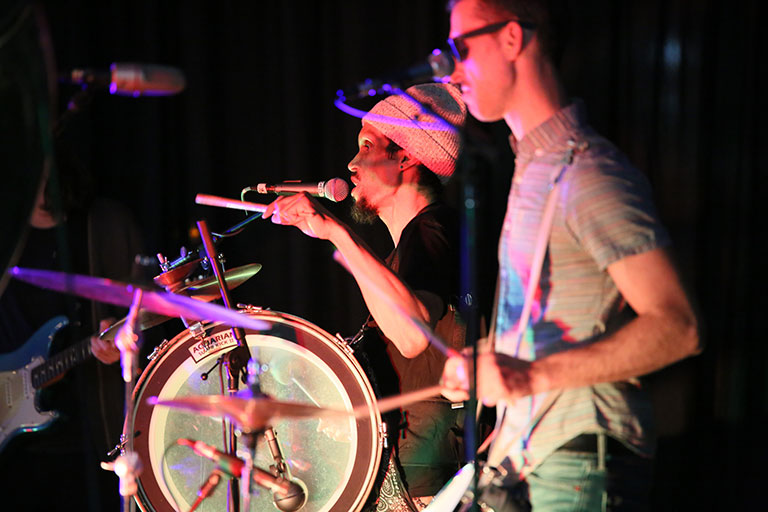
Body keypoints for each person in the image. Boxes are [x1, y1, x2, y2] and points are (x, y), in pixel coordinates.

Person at [439, 1, 701, 511]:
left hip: (577, 461)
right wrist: (487, 362)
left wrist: (530, 376)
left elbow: (679, 326)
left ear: (512, 38)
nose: (452, 71)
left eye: (461, 48)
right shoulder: (535, 168)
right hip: (538, 456)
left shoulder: (588, 173)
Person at [263, 82, 468, 510]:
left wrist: (336, 233)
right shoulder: (408, 250)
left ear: (406, 157)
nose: (352, 164)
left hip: (427, 489)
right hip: (410, 479)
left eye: (367, 147)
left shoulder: (434, 230)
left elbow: (411, 335)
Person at [0, 140, 145, 511]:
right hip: (11, 444)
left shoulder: (105, 226)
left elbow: (145, 318)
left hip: (89, 436)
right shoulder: (7, 235)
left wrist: (123, 342)